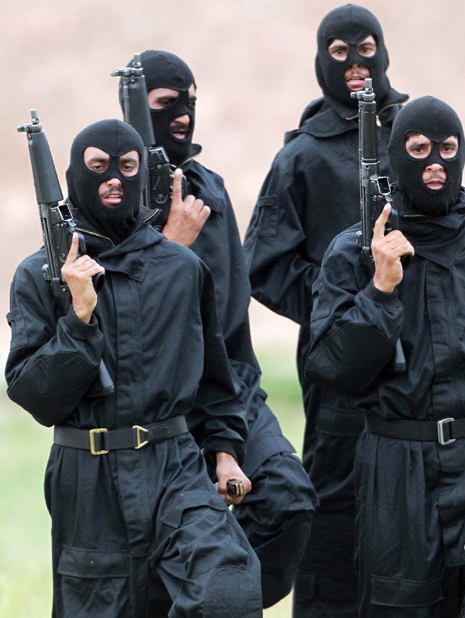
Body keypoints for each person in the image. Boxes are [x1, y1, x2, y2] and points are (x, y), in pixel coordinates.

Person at [305, 96, 465, 616]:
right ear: (396, 155)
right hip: (397, 470)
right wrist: (381, 290)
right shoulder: (355, 252)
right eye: (419, 148)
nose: (434, 163)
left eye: (447, 149)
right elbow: (332, 369)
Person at [4, 119, 263, 616]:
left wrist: (226, 452)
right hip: (88, 479)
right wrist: (79, 319)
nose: (114, 180)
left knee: (226, 589)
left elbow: (214, 378)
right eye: (99, 167)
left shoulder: (182, 268)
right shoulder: (39, 275)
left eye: (126, 167)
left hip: (175, 467)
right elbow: (35, 397)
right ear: (75, 175)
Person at [125, 49, 318, 608]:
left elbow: (232, 316)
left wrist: (233, 423)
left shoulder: (211, 190)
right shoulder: (109, 195)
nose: (183, 115)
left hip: (229, 385)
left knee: (288, 500)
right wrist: (169, 246)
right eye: (167, 103)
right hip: (158, 403)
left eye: (190, 102)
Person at [243, 3, 408, 615]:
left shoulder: (415, 136)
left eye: (365, 48)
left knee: (417, 500)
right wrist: (340, 301)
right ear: (321, 60)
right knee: (335, 502)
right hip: (338, 364)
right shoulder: (303, 156)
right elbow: (263, 264)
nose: (356, 63)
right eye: (339, 52)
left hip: (420, 357)